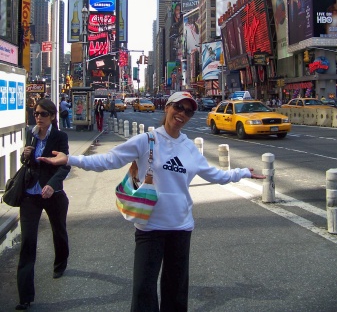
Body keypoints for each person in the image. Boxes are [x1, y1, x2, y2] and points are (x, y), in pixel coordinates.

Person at [39, 91, 265, 312]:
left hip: (180, 227)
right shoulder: (146, 140)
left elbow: (216, 175)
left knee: (176, 293)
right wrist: (70, 159)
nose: (182, 114)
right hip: (149, 227)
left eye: (187, 111)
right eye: (178, 107)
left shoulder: (189, 148)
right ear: (167, 107)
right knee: (143, 292)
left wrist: (242, 172)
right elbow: (109, 160)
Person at [15, 99, 70, 311]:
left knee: (59, 231)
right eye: (36, 113)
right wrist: (24, 155)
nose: (38, 117)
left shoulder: (59, 137)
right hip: (30, 194)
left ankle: (60, 262)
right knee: (28, 241)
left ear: (53, 117)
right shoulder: (30, 132)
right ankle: (25, 296)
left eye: (43, 114)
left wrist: (52, 185)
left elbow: (64, 165)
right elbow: (26, 162)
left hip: (52, 194)